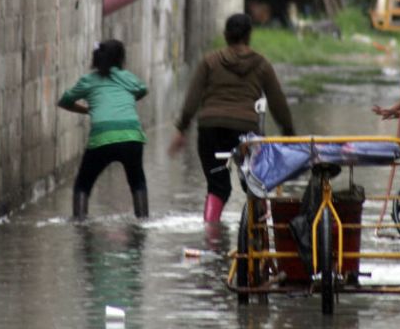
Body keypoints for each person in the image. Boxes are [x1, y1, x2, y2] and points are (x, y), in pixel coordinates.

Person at [168, 13, 295, 223]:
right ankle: (259, 236)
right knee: (254, 183)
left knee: (218, 187)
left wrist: (182, 129)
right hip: (246, 132)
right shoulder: (261, 64)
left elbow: (192, 98)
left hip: (210, 129)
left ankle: (211, 234)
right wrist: (289, 133)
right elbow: (277, 102)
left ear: (226, 35)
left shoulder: (209, 62)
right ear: (249, 36)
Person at [58, 39, 149, 220]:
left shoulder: (88, 80)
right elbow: (142, 90)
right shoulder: (128, 77)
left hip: (102, 137)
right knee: (137, 182)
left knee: (83, 184)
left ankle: (80, 223)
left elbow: (65, 101)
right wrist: (126, 101)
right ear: (120, 59)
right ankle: (143, 221)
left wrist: (86, 110)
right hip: (132, 136)